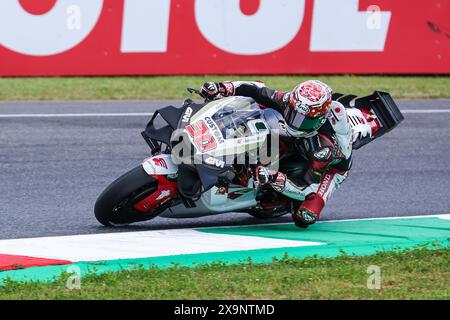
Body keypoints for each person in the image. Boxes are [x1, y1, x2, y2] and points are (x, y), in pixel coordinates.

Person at [200, 80, 353, 228]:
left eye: (303, 121)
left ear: (319, 120)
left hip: (331, 169)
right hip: (301, 139)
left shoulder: (324, 149)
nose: (296, 123)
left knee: (305, 216)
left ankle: (283, 201)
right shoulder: (290, 101)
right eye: (293, 114)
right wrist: (223, 88)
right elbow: (257, 89)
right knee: (259, 108)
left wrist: (274, 178)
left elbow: (307, 188)